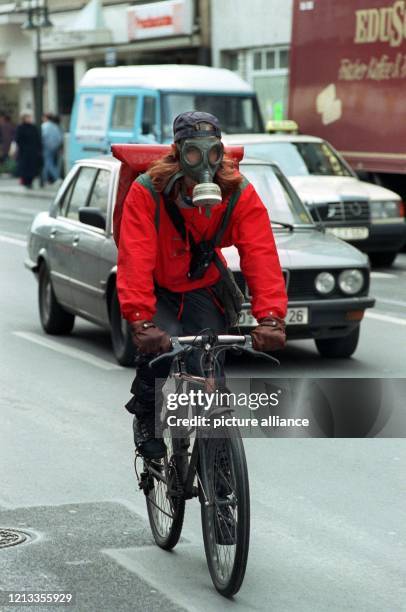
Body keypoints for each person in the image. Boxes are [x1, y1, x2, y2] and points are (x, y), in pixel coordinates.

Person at [117, 111, 288, 460]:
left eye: (212, 153)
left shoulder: (237, 191)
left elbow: (261, 253)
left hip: (202, 285)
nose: (203, 164)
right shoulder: (147, 190)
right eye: (193, 154)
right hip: (159, 286)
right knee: (159, 354)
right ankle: (148, 418)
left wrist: (271, 316)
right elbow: (135, 256)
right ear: (177, 151)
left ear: (221, 152)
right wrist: (140, 319)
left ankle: (220, 466)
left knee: (210, 368)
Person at [15, 112, 42, 188]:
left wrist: (38, 149)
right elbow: (18, 139)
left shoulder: (33, 127)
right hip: (24, 152)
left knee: (33, 167)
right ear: (24, 119)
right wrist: (23, 148)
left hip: (33, 151)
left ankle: (30, 181)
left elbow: (37, 139)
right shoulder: (20, 127)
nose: (29, 119)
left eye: (30, 118)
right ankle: (26, 182)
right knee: (25, 167)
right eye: (28, 118)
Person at [41, 113, 63, 184]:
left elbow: (42, 137)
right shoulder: (55, 126)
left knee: (48, 163)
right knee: (48, 163)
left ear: (46, 118)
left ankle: (57, 178)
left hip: (46, 147)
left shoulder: (44, 126)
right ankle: (45, 179)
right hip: (55, 147)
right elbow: (60, 138)